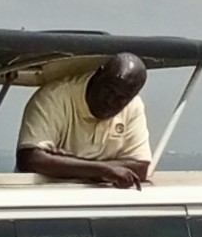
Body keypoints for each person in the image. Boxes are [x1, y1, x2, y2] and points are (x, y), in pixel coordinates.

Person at [15, 53, 153, 187]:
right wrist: (104, 170)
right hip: (45, 197)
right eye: (109, 90)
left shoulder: (134, 106)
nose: (111, 101)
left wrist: (69, 162)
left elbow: (140, 168)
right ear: (98, 74)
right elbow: (30, 159)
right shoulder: (53, 97)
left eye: (121, 99)